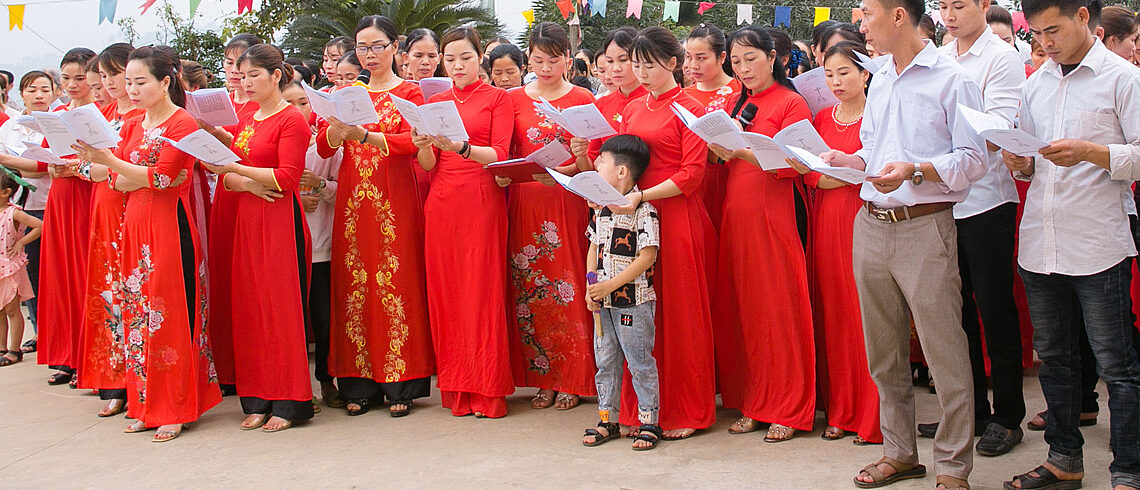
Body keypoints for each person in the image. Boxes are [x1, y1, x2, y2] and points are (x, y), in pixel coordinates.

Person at [824, 0, 986, 485]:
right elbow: (875, 149)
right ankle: (900, 452)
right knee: (884, 351)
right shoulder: (883, 78)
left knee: (944, 352)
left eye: (866, 14)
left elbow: (973, 160)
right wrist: (850, 162)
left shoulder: (953, 79)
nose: (860, 25)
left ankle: (953, 466)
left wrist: (917, 170)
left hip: (925, 224)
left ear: (899, 16)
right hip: (870, 223)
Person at [1000, 0, 1140, 486]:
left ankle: (1128, 469)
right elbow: (1034, 157)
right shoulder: (1036, 82)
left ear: (1085, 17)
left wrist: (1094, 153)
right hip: (1042, 240)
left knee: (1117, 365)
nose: (1045, 43)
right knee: (1054, 359)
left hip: (1098, 242)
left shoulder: (1123, 79)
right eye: (1037, 34)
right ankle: (1064, 459)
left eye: (1053, 30)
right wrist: (1022, 163)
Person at [72, 45, 221, 443]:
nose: (131, 90)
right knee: (138, 316)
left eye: (140, 82)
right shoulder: (136, 123)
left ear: (165, 82)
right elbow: (118, 177)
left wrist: (114, 164)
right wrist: (102, 162)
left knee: (168, 314)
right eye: (129, 82)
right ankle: (145, 404)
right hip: (134, 224)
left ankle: (176, 405)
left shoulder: (182, 123)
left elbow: (164, 178)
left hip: (169, 226)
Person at [916, 0, 1028, 458]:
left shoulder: (1003, 57)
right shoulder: (942, 56)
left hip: (986, 201)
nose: (949, 15)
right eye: (942, 6)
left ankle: (1007, 416)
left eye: (959, 5)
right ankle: (970, 410)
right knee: (954, 314)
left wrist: (945, 137)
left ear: (985, 5)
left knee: (994, 309)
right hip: (945, 201)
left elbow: (997, 127)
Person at [316, 15, 435, 418]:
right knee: (354, 286)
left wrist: (364, 136)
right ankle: (358, 382)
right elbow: (324, 145)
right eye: (362, 47)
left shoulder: (411, 92)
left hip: (394, 201)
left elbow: (410, 142)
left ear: (394, 47)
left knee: (395, 282)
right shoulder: (347, 92)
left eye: (377, 46)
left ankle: (400, 383)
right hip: (352, 206)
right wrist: (337, 130)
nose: (369, 55)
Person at [705, 25, 815, 443]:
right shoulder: (739, 102)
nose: (744, 68)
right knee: (746, 311)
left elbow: (795, 166)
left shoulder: (791, 103)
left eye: (751, 58)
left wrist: (741, 152)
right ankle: (754, 402)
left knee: (778, 310)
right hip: (738, 214)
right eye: (736, 61)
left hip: (776, 214)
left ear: (773, 58)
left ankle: (788, 406)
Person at [608, 26, 716, 441]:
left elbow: (691, 175)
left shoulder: (691, 109)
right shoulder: (634, 108)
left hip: (675, 218)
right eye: (636, 65)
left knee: (680, 315)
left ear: (672, 63)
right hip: (636, 219)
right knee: (640, 314)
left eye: (648, 65)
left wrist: (641, 197)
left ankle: (688, 407)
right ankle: (646, 407)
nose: (641, 72)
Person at [206, 44, 314, 433]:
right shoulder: (248, 114)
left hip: (278, 219)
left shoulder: (292, 121)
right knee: (250, 306)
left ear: (276, 75)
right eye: (242, 74)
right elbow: (230, 176)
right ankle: (256, 399)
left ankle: (290, 400)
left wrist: (237, 173)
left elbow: (286, 178)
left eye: (254, 74)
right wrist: (242, 180)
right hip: (249, 217)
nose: (247, 82)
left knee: (279, 310)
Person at [783, 41, 883, 446]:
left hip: (862, 220)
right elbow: (811, 174)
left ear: (865, 75)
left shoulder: (879, 116)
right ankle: (840, 410)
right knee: (833, 314)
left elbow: (872, 171)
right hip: (825, 219)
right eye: (829, 74)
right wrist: (831, 174)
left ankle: (871, 416)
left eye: (845, 73)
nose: (836, 81)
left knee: (865, 316)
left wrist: (835, 174)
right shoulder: (821, 117)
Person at [412, 26, 514, 419]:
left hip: (481, 198)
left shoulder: (497, 99)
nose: (457, 65)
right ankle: (456, 389)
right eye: (449, 59)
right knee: (447, 294)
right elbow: (426, 167)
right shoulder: (434, 101)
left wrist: (462, 147)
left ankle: (487, 390)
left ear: (480, 60)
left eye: (465, 58)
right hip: (441, 203)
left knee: (481, 292)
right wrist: (424, 147)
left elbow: (502, 154)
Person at [498, 21, 596, 412]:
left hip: (565, 198)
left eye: (553, 60)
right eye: (538, 60)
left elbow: (590, 159)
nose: (545, 67)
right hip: (526, 199)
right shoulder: (513, 99)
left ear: (568, 60)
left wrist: (567, 169)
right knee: (530, 286)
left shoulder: (583, 99)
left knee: (567, 282)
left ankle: (573, 377)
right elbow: (507, 149)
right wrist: (507, 171)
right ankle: (542, 376)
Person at [76, 42, 146, 418]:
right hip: (103, 209)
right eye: (104, 76)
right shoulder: (100, 113)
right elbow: (84, 165)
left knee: (136, 292)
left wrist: (104, 168)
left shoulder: (145, 117)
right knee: (107, 293)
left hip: (133, 208)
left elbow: (129, 167)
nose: (112, 83)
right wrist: (95, 167)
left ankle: (139, 382)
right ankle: (113, 380)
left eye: (116, 74)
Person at [580, 134, 662, 451]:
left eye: (602, 162)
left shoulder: (644, 210)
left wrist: (610, 285)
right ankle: (607, 420)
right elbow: (593, 246)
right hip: (603, 303)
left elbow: (647, 256)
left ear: (623, 171)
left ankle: (649, 421)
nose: (596, 165)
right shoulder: (601, 210)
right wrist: (591, 286)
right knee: (606, 360)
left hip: (633, 303)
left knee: (639, 360)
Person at [203, 33, 262, 396]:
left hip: (255, 195)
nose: (236, 72)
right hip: (225, 196)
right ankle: (225, 367)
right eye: (229, 63)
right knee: (223, 279)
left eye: (243, 65)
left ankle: (252, 368)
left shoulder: (263, 107)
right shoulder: (216, 105)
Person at [36, 47, 97, 389]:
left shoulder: (97, 115)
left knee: (84, 274)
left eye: (80, 77)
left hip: (87, 196)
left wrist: (74, 167)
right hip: (60, 197)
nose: (73, 84)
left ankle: (88, 357)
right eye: (66, 78)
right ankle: (65, 355)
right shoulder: (57, 113)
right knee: (60, 275)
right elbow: (46, 157)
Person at [283, 80, 342, 411]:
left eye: (303, 102)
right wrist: (294, 197)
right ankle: (294, 385)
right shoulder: (276, 139)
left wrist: (320, 186)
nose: (296, 109)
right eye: (289, 102)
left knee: (323, 318)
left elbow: (342, 186)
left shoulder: (327, 145)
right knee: (291, 317)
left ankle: (326, 379)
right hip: (287, 240)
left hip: (321, 243)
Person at [0, 71, 54, 355]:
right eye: (32, 89)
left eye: (45, 89)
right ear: (22, 93)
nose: (39, 95)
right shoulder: (9, 128)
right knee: (28, 273)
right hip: (21, 207)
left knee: (55, 270)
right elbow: (13, 171)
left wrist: (20, 164)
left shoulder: (56, 124)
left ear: (55, 93)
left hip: (54, 203)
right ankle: (40, 330)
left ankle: (56, 331)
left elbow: (44, 166)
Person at [682, 23, 742, 233]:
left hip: (724, 181)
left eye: (701, 58)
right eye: (688, 57)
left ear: (722, 57)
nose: (693, 65)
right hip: (689, 180)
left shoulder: (739, 92)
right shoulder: (683, 95)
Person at [568, 27, 646, 168]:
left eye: (623, 60)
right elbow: (590, 164)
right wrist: (582, 154)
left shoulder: (653, 101)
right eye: (610, 61)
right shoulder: (601, 105)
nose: (615, 68)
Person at [0, 170, 40, 367]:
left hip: (9, 266)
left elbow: (39, 225)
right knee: (0, 310)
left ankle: (14, 349)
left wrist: (21, 242)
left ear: (5, 192)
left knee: (12, 309)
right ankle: (2, 347)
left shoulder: (13, 212)